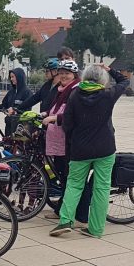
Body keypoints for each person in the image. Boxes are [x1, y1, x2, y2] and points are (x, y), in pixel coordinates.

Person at [50, 64, 129, 237]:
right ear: (102, 79)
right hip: (105, 148)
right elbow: (124, 81)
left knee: (74, 185)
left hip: (80, 148)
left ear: (84, 77)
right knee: (101, 188)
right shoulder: (108, 95)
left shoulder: (75, 95)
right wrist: (110, 70)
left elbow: (68, 124)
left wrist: (73, 140)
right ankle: (95, 228)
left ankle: (65, 221)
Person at [41, 60, 82, 220]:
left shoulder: (75, 91)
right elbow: (55, 108)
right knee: (63, 176)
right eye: (61, 73)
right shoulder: (61, 90)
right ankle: (61, 209)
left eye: (67, 73)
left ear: (74, 75)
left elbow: (73, 115)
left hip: (68, 141)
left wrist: (54, 118)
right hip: (58, 140)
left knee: (68, 176)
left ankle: (67, 211)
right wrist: (45, 114)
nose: (63, 76)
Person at [1, 68, 32, 133]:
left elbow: (27, 110)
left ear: (19, 77)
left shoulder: (27, 92)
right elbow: (3, 105)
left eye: (13, 77)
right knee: (7, 142)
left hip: (20, 127)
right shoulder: (11, 91)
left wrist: (15, 111)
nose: (11, 79)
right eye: (10, 77)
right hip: (9, 125)